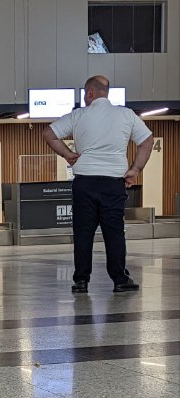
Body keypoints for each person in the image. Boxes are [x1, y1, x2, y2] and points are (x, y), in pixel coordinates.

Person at [43, 75, 154, 294]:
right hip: (113, 184)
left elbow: (49, 133)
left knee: (83, 233)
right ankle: (120, 280)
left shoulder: (79, 115)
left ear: (90, 93)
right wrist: (135, 170)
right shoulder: (126, 114)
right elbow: (147, 140)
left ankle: (81, 281)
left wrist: (68, 154)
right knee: (114, 233)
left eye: (85, 94)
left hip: (85, 183)